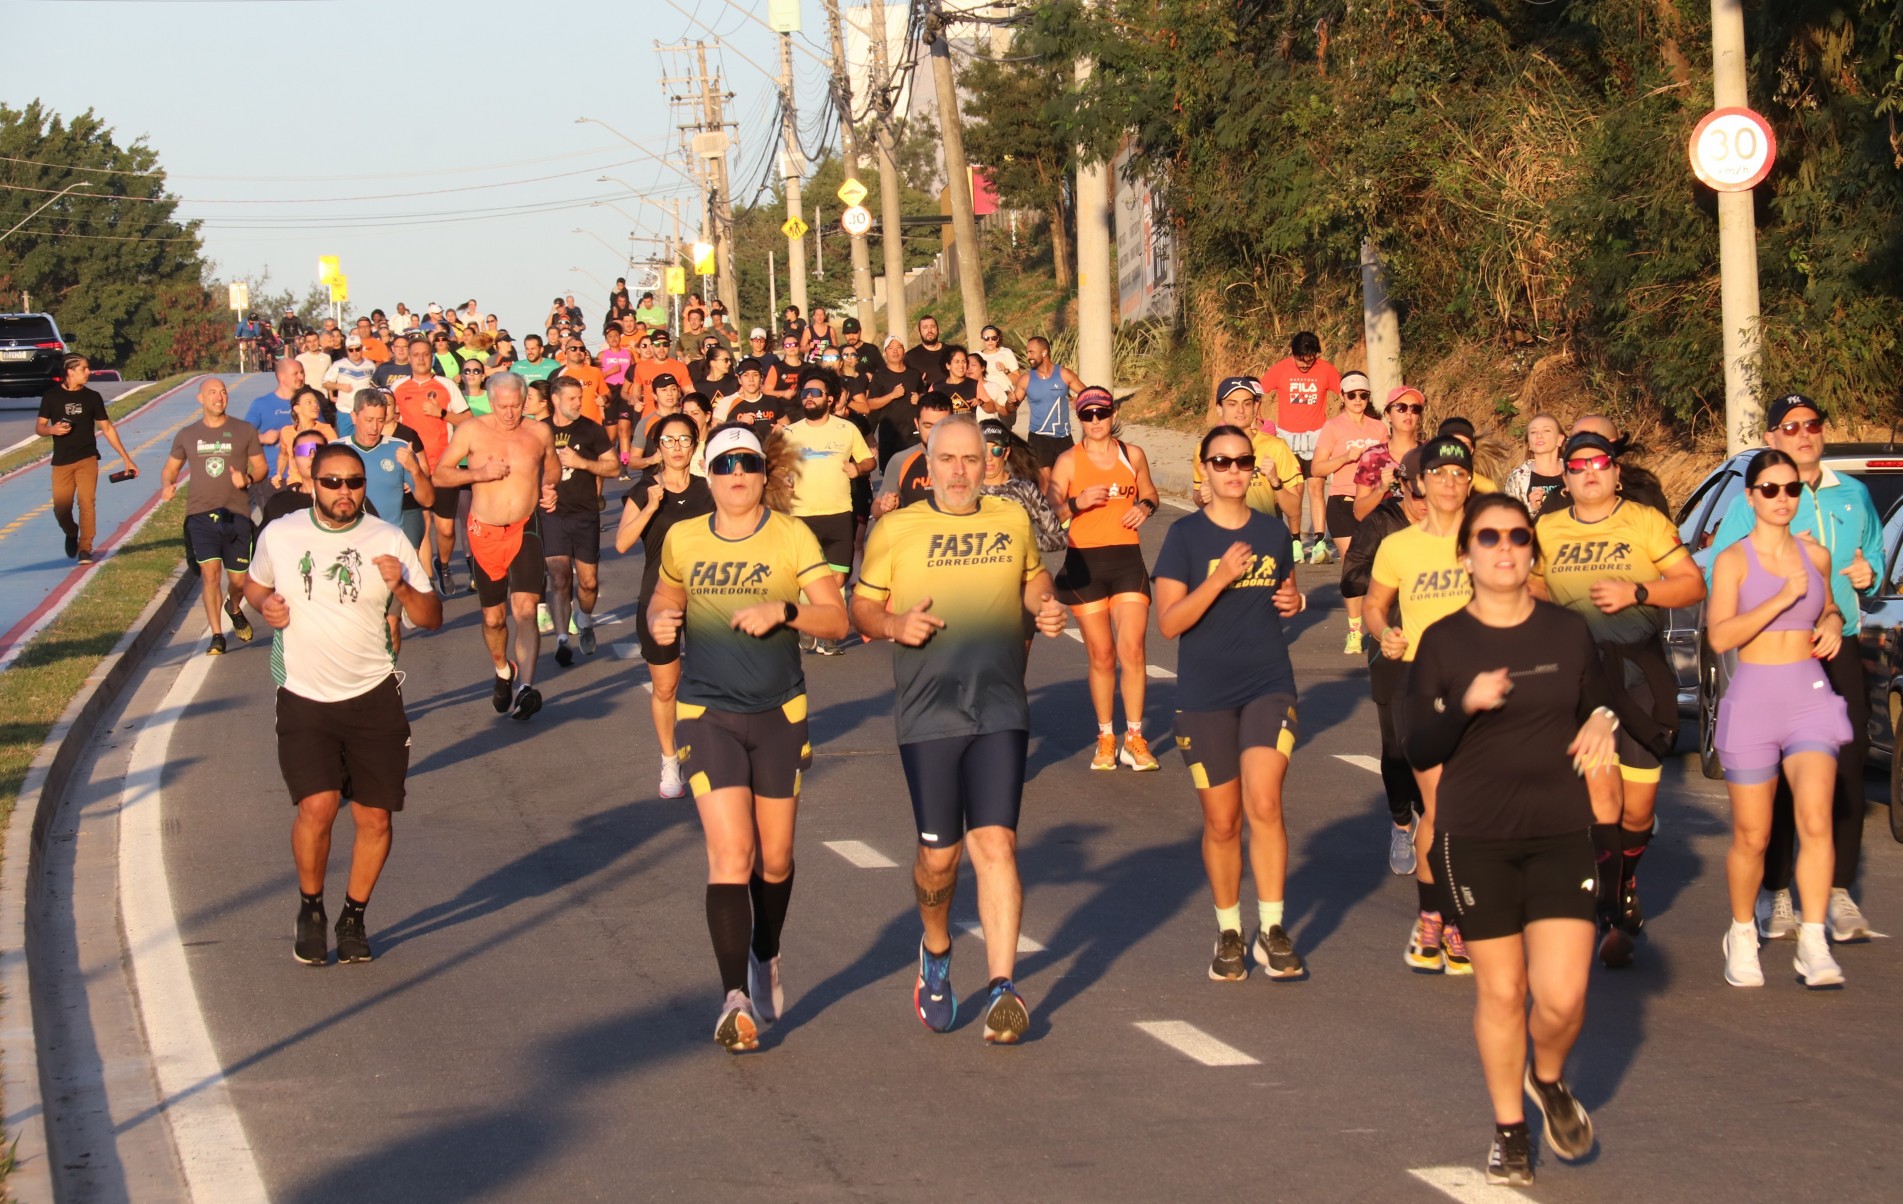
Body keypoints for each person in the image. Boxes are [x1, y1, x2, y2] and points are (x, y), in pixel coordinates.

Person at [1406, 492, 1615, 1187]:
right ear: (1465, 554)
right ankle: (1508, 1131)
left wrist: (1602, 721)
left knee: (1562, 998)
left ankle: (1546, 1077)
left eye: (1517, 537)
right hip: (1477, 839)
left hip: (1558, 831)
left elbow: (1602, 696)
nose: (1504, 549)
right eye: (1488, 537)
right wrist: (1463, 703)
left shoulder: (1564, 630)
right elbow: (1417, 740)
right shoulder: (1443, 641)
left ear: (1531, 551)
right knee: (1502, 993)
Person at [852, 414, 1068, 1043]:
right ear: (928, 460)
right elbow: (860, 604)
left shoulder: (1009, 519)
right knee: (939, 860)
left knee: (997, 845)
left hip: (1001, 706)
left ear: (987, 463)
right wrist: (892, 627)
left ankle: (1003, 985)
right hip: (929, 712)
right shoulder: (898, 529)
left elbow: (1033, 578)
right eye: (947, 459)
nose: (958, 472)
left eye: (971, 460)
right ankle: (938, 951)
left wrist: (1045, 606)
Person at [648, 424, 849, 1052]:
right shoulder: (683, 538)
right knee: (732, 856)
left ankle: (766, 951)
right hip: (705, 712)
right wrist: (660, 618)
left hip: (778, 713)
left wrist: (785, 612)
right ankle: (733, 996)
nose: (737, 473)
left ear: (765, 473)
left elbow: (837, 620)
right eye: (725, 464)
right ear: (709, 476)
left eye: (748, 463)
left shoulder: (792, 535)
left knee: (777, 858)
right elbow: (663, 600)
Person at [247, 443, 442, 967]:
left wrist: (401, 586)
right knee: (318, 807)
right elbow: (254, 584)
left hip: (374, 694)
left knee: (376, 819)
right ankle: (311, 908)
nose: (344, 492)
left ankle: (353, 916)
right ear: (313, 483)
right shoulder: (282, 535)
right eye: (331, 482)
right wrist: (263, 605)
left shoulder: (388, 538)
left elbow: (431, 618)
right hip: (305, 694)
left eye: (353, 482)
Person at [1705, 394, 1883, 944]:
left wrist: (1863, 578)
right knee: (1776, 776)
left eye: (1812, 425)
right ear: (1774, 437)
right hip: (1772, 655)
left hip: (1838, 642)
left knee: (1845, 768)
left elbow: (1872, 561)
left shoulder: (1853, 494)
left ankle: (1836, 891)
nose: (1804, 434)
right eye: (1790, 427)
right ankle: (1776, 889)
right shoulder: (1755, 500)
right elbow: (1723, 575)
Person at [1530, 432, 1706, 967]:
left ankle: (1625, 879)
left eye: (1599, 463)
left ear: (1614, 472)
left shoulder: (1645, 521)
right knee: (1602, 801)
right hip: (1580, 676)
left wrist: (1639, 592)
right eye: (1578, 465)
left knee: (1638, 810)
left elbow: (1691, 584)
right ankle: (1607, 912)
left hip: (1638, 670)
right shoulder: (1548, 528)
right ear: (1565, 476)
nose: (1589, 473)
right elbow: (1533, 584)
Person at [1156, 425, 1312, 982]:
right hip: (1204, 695)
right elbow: (1170, 622)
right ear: (1204, 468)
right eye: (1221, 462)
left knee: (1265, 801)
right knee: (1223, 822)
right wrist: (1219, 578)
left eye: (1243, 462)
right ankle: (1229, 930)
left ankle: (1272, 928)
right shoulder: (1184, 537)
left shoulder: (1272, 532)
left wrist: (1292, 600)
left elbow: (1285, 593)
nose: (1233, 471)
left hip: (1268, 683)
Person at [1364, 435, 1478, 973]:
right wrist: (1385, 632)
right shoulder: (1399, 545)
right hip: (1421, 683)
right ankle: (1441, 916)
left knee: (1475, 811)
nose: (1450, 483)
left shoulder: (1488, 539)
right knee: (1443, 807)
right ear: (1421, 483)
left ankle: (1454, 911)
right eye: (1440, 474)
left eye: (1459, 475)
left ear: (1470, 482)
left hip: (1482, 686)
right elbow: (1374, 604)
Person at [431, 373, 559, 721]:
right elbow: (440, 475)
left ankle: (526, 688)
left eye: (516, 405)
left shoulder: (538, 432)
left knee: (526, 610)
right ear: (490, 402)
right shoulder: (471, 431)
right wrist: (479, 474)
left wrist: (549, 488)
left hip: (525, 527)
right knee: (494, 619)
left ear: (525, 400)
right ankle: (504, 670)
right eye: (502, 406)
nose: (509, 413)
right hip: (484, 533)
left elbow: (552, 470)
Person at [1048, 386, 1163, 772]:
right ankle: (1105, 737)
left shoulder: (1133, 455)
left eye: (1102, 413)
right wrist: (1077, 504)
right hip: (1085, 566)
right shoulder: (1068, 461)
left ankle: (1134, 737)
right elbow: (1050, 508)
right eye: (1088, 415)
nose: (1096, 421)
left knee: (1132, 650)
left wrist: (1145, 507)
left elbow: (1149, 491)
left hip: (1127, 562)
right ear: (1079, 419)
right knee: (1101, 655)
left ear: (1113, 414)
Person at [616, 413, 716, 798]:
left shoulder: (709, 489)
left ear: (694, 445)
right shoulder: (645, 490)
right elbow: (622, 543)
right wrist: (649, 507)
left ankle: (711, 750)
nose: (677, 448)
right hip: (659, 596)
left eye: (684, 440)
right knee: (666, 686)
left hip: (707, 595)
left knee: (712, 680)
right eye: (669, 441)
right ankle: (670, 760)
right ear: (658, 447)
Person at [1343, 448, 1430, 875]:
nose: (1427, 501)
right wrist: (1392, 576)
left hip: (1444, 649)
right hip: (1391, 642)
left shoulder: (1459, 525)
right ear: (1403, 486)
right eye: (1418, 492)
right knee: (1398, 747)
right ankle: (1401, 823)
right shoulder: (1383, 521)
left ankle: (1437, 821)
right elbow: (1350, 574)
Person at [161, 378, 269, 655]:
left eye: (223, 392)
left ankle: (233, 608)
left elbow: (261, 468)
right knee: (210, 575)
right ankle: (217, 635)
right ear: (200, 399)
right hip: (200, 514)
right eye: (212, 393)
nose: (219, 397)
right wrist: (168, 484)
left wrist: (246, 478)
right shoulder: (187, 434)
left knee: (239, 582)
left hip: (237, 515)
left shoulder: (244, 430)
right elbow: (170, 468)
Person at [780, 370, 874, 654]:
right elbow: (775, 468)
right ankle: (815, 628)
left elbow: (868, 459)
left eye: (815, 393)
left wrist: (858, 468)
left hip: (838, 512)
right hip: (801, 514)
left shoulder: (846, 430)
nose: (808, 398)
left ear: (830, 399)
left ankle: (821, 626)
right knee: (804, 577)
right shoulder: (790, 432)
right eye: (805, 393)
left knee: (838, 577)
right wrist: (781, 479)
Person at [1311, 370, 1390, 650]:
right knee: (1354, 565)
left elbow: (1387, 462)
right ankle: (1355, 631)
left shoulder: (1378, 428)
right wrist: (1345, 458)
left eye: (1363, 395)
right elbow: (1317, 468)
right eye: (1352, 395)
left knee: (1380, 565)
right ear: (1342, 397)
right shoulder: (1333, 427)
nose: (1358, 400)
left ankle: (1380, 622)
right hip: (1342, 503)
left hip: (1372, 504)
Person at [546, 376, 619, 668]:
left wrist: (581, 463)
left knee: (587, 584)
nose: (579, 402)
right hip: (552, 514)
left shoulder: (591, 430)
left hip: (585, 513)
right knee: (560, 577)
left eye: (580, 397)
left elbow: (613, 467)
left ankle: (585, 619)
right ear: (555, 399)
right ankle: (562, 639)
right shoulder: (541, 431)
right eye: (573, 398)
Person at [38, 353, 137, 563]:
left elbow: (107, 428)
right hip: (62, 461)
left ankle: (85, 548)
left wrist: (126, 458)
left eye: (88, 368)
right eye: (83, 368)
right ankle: (71, 532)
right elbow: (39, 427)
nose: (88, 372)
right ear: (70, 371)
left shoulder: (92, 397)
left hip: (87, 458)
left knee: (87, 503)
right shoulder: (51, 397)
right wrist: (52, 430)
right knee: (61, 508)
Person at [393, 339, 472, 596]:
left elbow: (467, 420)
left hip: (443, 467)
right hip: (413, 468)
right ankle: (424, 580)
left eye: (425, 354)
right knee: (421, 525)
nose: (420, 359)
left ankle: (444, 564)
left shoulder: (446, 385)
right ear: (408, 357)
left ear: (431, 357)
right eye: (415, 355)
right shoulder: (397, 388)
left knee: (446, 529)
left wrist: (441, 413)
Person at [1256, 332, 1342, 562]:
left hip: (1316, 440)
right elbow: (1257, 392)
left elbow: (1345, 394)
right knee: (1295, 492)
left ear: (1317, 355)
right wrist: (1260, 420)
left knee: (1316, 489)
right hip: (1288, 440)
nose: (1305, 364)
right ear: (1292, 354)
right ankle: (1295, 543)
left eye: (1309, 358)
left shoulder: (1326, 370)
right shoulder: (1281, 369)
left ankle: (1319, 544)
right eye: (1300, 358)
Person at [1190, 378, 1303, 533]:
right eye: (1232, 404)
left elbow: (1294, 511)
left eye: (1247, 403)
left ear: (1255, 408)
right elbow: (1198, 496)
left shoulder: (1277, 447)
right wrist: (1202, 496)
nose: (1241, 410)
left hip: (1264, 538)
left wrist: (1276, 482)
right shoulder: (1204, 448)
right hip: (1222, 539)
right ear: (1219, 408)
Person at [979, 419, 1066, 554]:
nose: (988, 457)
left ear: (1006, 453)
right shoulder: (965, 491)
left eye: (996, 450)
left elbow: (1059, 537)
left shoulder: (1025, 489)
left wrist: (1023, 543)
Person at [1013, 336, 1084, 491]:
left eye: (1031, 352)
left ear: (1044, 352)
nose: (1028, 356)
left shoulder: (1065, 375)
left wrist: (1078, 401)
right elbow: (1011, 408)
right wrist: (1010, 402)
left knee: (1070, 480)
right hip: (1038, 436)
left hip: (1063, 436)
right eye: (1027, 352)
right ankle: (1046, 514)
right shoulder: (1025, 380)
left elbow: (1089, 394)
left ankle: (1067, 511)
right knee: (1045, 480)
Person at [1353, 386, 1426, 522]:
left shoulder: (1431, 451)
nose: (1408, 413)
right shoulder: (1372, 457)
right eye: (1401, 408)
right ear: (1388, 415)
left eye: (1415, 409)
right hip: (1387, 534)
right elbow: (1359, 513)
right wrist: (1381, 489)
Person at [874, 393, 955, 515]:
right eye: (928, 426)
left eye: (941, 425)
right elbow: (877, 508)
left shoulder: (968, 459)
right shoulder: (900, 460)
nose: (934, 432)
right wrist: (886, 507)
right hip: (915, 533)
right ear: (917, 424)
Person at [245, 359, 306, 510]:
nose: (301, 377)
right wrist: (262, 438)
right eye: (295, 373)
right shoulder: (262, 404)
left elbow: (322, 434)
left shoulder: (309, 402)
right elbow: (242, 437)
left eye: (302, 372)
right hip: (273, 478)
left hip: (303, 477)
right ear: (281, 376)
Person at [867, 336, 927, 462]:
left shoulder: (914, 374)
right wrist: (892, 395)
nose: (895, 351)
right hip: (889, 436)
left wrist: (920, 398)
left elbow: (925, 398)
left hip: (913, 434)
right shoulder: (879, 377)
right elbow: (870, 404)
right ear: (885, 353)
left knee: (913, 472)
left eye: (898, 347)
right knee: (892, 477)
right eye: (890, 348)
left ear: (904, 351)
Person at [272, 389, 337, 489]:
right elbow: (283, 455)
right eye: (309, 402)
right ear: (297, 408)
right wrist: (279, 473)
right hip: (295, 483)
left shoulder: (326, 431)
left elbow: (336, 458)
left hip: (319, 485)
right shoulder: (286, 431)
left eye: (316, 402)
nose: (315, 405)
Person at [1504, 414, 1566, 514]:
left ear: (1560, 439)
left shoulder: (1574, 471)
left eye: (1546, 430)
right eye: (1533, 432)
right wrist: (1531, 508)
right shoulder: (1518, 477)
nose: (1539, 435)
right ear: (1529, 443)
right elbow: (1509, 518)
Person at [976, 325, 1020, 424]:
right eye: (986, 338)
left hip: (1005, 397)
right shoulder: (976, 356)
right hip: (985, 398)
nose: (990, 341)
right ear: (982, 339)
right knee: (986, 429)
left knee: (1006, 430)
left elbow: (1018, 379)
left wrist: (1005, 370)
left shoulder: (1006, 352)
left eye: (994, 338)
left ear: (998, 338)